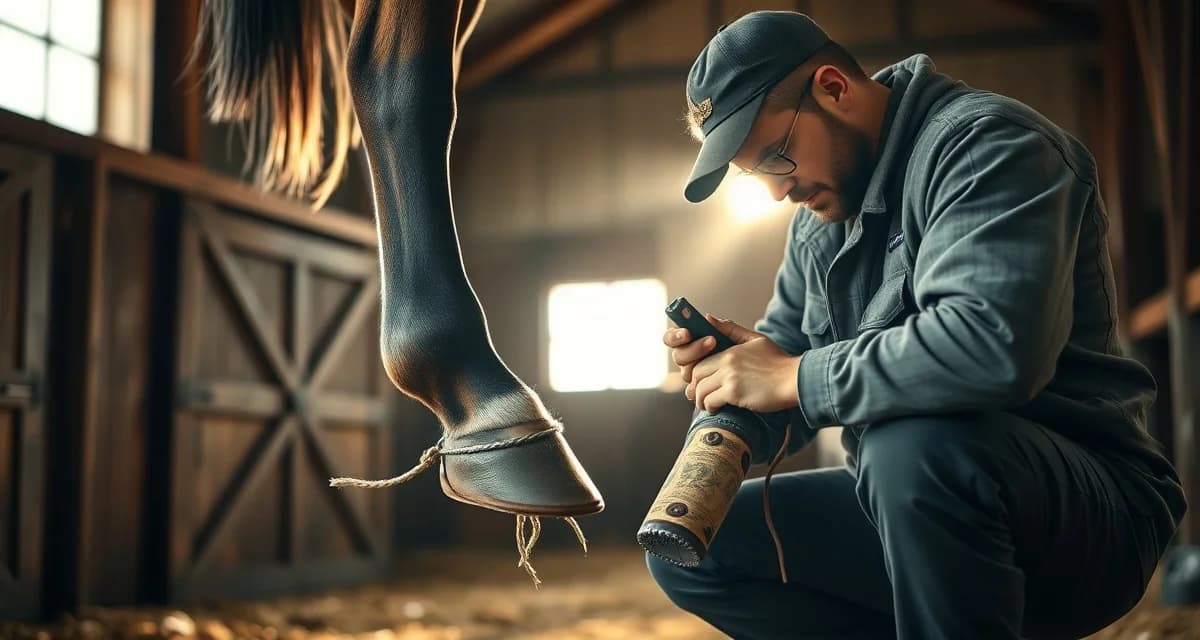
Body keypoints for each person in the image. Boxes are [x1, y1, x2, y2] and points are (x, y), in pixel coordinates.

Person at [646, 11, 1186, 639]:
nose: (776, 192)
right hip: (911, 505)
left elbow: (992, 348)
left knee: (909, 443)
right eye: (757, 172)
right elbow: (778, 370)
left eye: (777, 156)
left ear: (834, 88)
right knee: (697, 553)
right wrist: (727, 385)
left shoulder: (986, 145)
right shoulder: (819, 226)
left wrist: (793, 376)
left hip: (1087, 516)